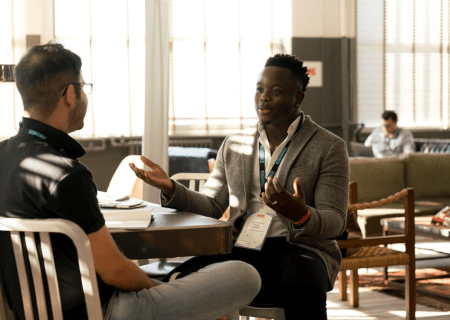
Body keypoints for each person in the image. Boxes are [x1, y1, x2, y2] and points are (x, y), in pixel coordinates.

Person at [0, 43, 261, 320]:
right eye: (83, 86)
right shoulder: (68, 174)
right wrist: (158, 291)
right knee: (244, 275)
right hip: (103, 312)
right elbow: (115, 271)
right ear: (70, 94)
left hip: (25, 312)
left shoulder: (4, 154)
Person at [130, 53, 349, 319]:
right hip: (242, 246)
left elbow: (336, 221)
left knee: (303, 285)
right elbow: (212, 206)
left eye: (276, 91)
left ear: (298, 98)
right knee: (182, 278)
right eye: (259, 89)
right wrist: (172, 189)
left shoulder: (328, 147)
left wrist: (300, 214)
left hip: (300, 248)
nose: (263, 97)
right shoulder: (234, 144)